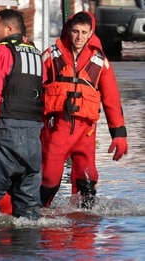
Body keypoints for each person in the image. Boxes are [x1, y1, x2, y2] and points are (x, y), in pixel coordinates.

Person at [40, 11, 128, 209]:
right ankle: (39, 223)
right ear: (68, 31)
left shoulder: (100, 62)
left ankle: (84, 232)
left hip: (85, 132)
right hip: (56, 129)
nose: (79, 37)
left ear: (91, 33)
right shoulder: (50, 56)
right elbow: (34, 91)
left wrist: (119, 134)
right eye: (75, 31)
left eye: (84, 32)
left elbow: (112, 99)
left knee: (86, 181)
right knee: (48, 180)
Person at [0, 9, 45, 221]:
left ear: (9, 29)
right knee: (29, 201)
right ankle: (28, 248)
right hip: (33, 136)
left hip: (5, 132)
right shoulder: (36, 55)